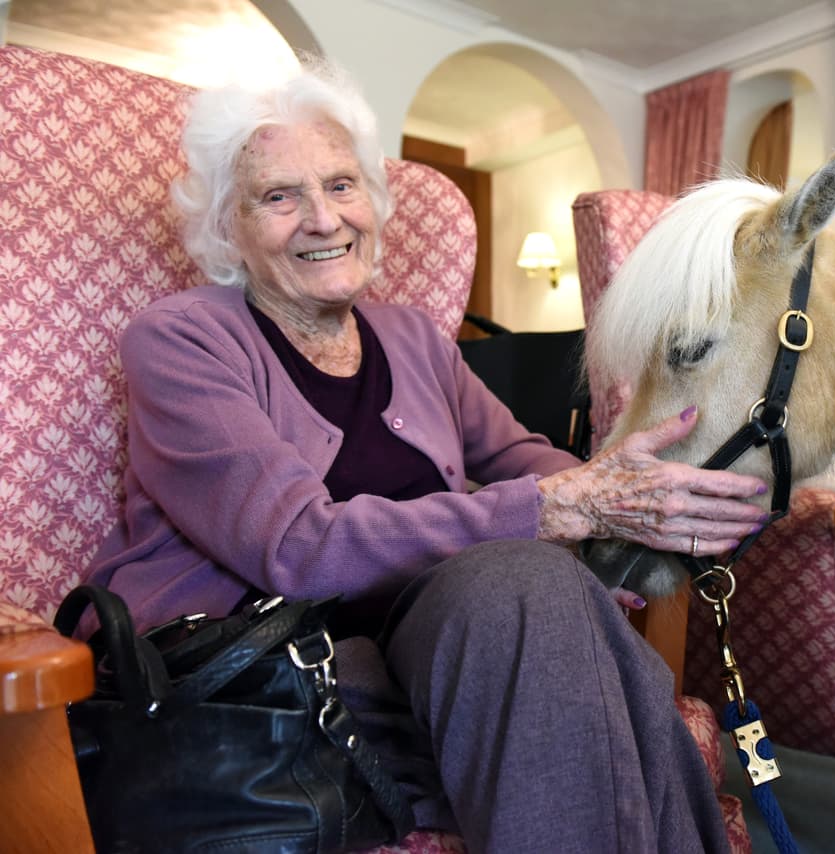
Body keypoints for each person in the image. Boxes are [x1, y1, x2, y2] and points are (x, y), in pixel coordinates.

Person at [83, 58, 769, 852]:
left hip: (437, 642)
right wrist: (563, 508)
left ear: (371, 201)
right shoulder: (178, 341)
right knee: (535, 591)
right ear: (227, 227)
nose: (322, 217)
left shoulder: (413, 338)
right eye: (278, 196)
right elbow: (296, 548)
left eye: (341, 185)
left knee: (543, 599)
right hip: (273, 669)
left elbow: (527, 460)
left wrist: (640, 487)